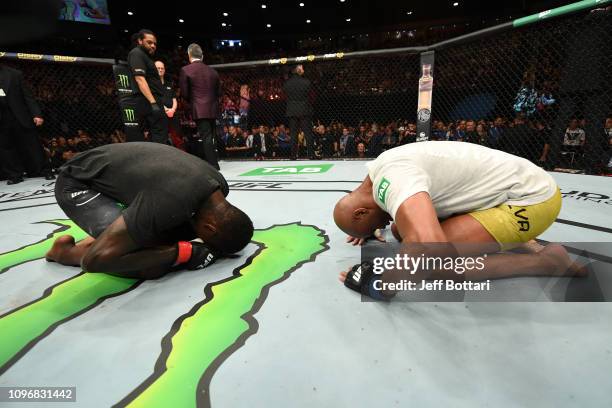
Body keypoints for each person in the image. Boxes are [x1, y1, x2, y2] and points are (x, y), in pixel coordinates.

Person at [333, 141, 585, 298]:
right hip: (515, 183)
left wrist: (380, 284)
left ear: (361, 212)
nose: (382, 227)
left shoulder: (394, 180)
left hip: (530, 201)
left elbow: (428, 247)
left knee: (432, 264)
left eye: (376, 225)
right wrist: (365, 227)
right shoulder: (380, 168)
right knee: (402, 229)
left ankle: (547, 263)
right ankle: (518, 239)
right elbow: (386, 212)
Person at [45, 142, 253, 279]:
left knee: (173, 233)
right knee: (150, 262)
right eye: (206, 239)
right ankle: (63, 252)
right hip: (79, 182)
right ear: (210, 227)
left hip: (113, 172)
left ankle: (114, 234)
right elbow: (94, 262)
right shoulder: (169, 202)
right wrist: (181, 253)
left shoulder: (219, 186)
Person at [0, 64, 54, 184]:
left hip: (20, 116)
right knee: (5, 148)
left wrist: (37, 114)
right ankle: (15, 175)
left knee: (33, 145)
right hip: (2, 119)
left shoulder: (14, 74)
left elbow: (27, 96)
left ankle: (45, 170)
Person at [179, 43, 221, 169]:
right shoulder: (213, 71)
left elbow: (185, 93)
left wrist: (194, 101)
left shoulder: (185, 70)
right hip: (212, 107)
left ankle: (213, 164)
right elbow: (218, 92)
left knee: (206, 136)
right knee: (212, 135)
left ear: (189, 55)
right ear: (202, 56)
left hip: (199, 107)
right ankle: (215, 159)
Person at [126, 29, 168, 143]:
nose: (153, 46)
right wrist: (153, 103)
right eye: (149, 42)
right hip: (148, 100)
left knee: (158, 132)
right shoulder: (136, 53)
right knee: (159, 132)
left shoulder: (145, 56)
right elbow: (140, 79)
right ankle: (159, 159)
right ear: (140, 41)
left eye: (154, 43)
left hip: (151, 99)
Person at [283, 64, 315, 160]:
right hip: (304, 109)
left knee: (293, 134)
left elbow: (285, 93)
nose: (303, 69)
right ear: (298, 70)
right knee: (308, 133)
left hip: (292, 110)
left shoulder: (287, 83)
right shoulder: (306, 82)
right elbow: (310, 94)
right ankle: (311, 155)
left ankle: (293, 155)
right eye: (302, 68)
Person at [155, 60, 185, 151]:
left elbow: (174, 99)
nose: (160, 70)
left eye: (162, 68)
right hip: (160, 115)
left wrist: (173, 109)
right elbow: (154, 99)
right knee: (162, 138)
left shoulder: (169, 84)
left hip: (172, 114)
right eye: (158, 68)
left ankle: (182, 155)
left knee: (177, 137)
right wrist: (166, 110)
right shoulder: (153, 85)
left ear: (164, 70)